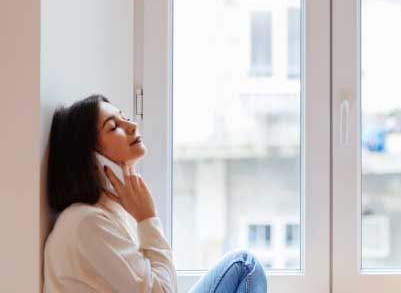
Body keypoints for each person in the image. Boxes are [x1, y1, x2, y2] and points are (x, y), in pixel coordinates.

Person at [44, 94, 267, 293]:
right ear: (92, 159)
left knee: (244, 266)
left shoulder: (106, 214)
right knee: (245, 265)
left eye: (124, 117)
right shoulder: (87, 223)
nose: (131, 125)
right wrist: (147, 218)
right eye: (113, 127)